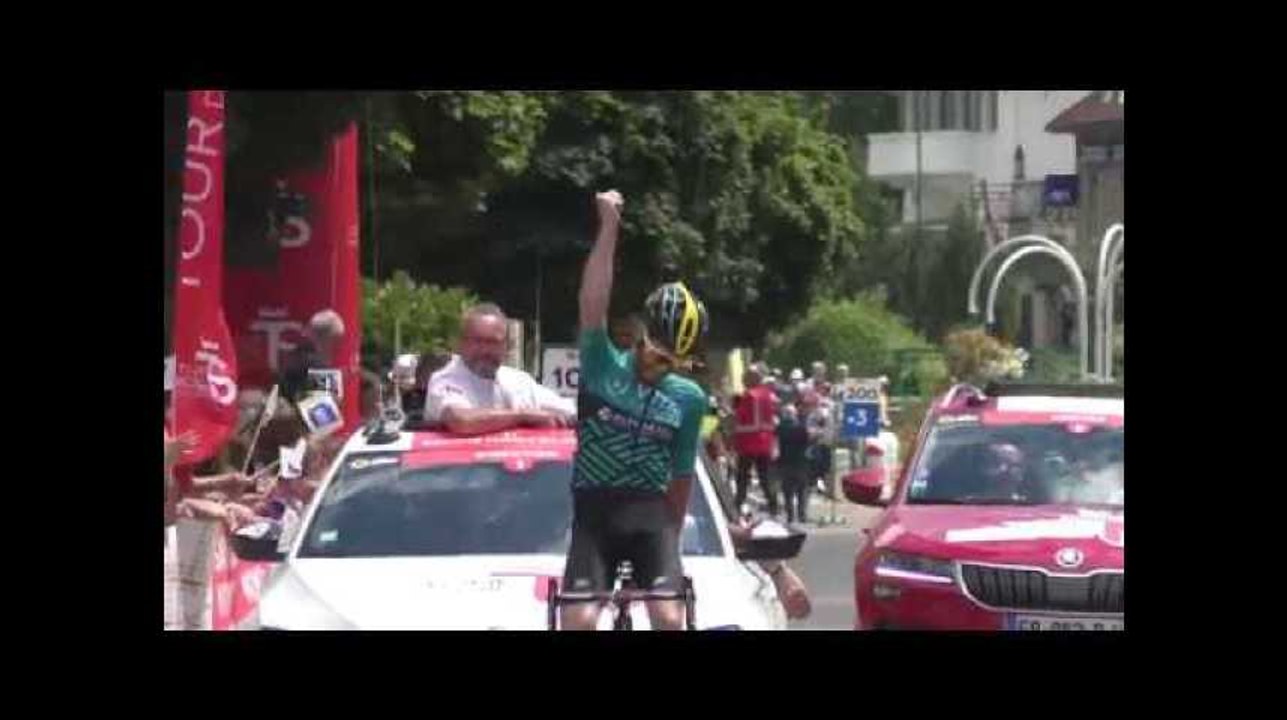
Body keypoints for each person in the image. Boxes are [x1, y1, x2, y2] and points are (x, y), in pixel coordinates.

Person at [559, 189, 710, 632]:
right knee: (581, 622)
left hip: (652, 519)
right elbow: (592, 301)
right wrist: (609, 226)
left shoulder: (688, 398)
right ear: (642, 336)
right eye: (656, 355)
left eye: (672, 364)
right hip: (595, 516)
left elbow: (681, 478)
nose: (659, 369)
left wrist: (672, 544)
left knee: (667, 616)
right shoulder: (602, 364)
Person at [425, 303, 575, 434]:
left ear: (507, 346)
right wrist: (523, 415)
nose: (485, 350)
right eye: (477, 341)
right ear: (461, 343)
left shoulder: (519, 382)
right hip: (460, 466)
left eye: (493, 342)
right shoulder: (445, 379)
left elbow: (571, 412)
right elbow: (462, 421)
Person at [733, 365, 780, 517]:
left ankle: (738, 503)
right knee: (765, 477)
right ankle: (773, 505)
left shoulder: (748, 396)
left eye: (745, 377)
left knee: (742, 476)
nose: (743, 380)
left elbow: (739, 418)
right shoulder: (768, 395)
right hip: (765, 443)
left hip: (748, 443)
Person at [280, 309, 346, 403]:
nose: (338, 348)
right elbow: (323, 413)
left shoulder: (294, 356)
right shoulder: (319, 366)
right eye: (336, 341)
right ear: (326, 338)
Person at [775, 404, 811, 524]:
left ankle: (790, 515)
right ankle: (802, 515)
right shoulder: (802, 428)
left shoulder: (779, 428)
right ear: (795, 415)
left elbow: (775, 444)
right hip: (800, 462)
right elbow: (807, 443)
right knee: (802, 490)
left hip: (785, 463)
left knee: (787, 491)